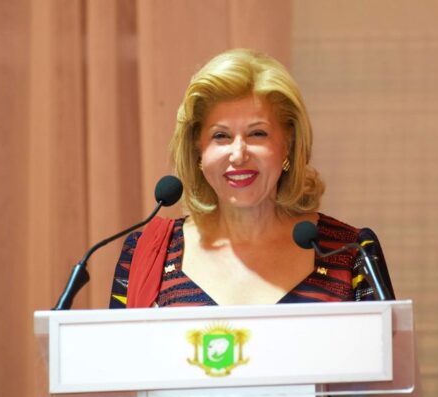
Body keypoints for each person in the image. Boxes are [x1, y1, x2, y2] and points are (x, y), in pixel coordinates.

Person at [109, 49, 394, 308]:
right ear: (198, 149)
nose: (238, 154)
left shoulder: (351, 253)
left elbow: (387, 348)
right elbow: (118, 350)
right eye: (221, 136)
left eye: (257, 133)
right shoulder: (146, 255)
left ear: (288, 144)